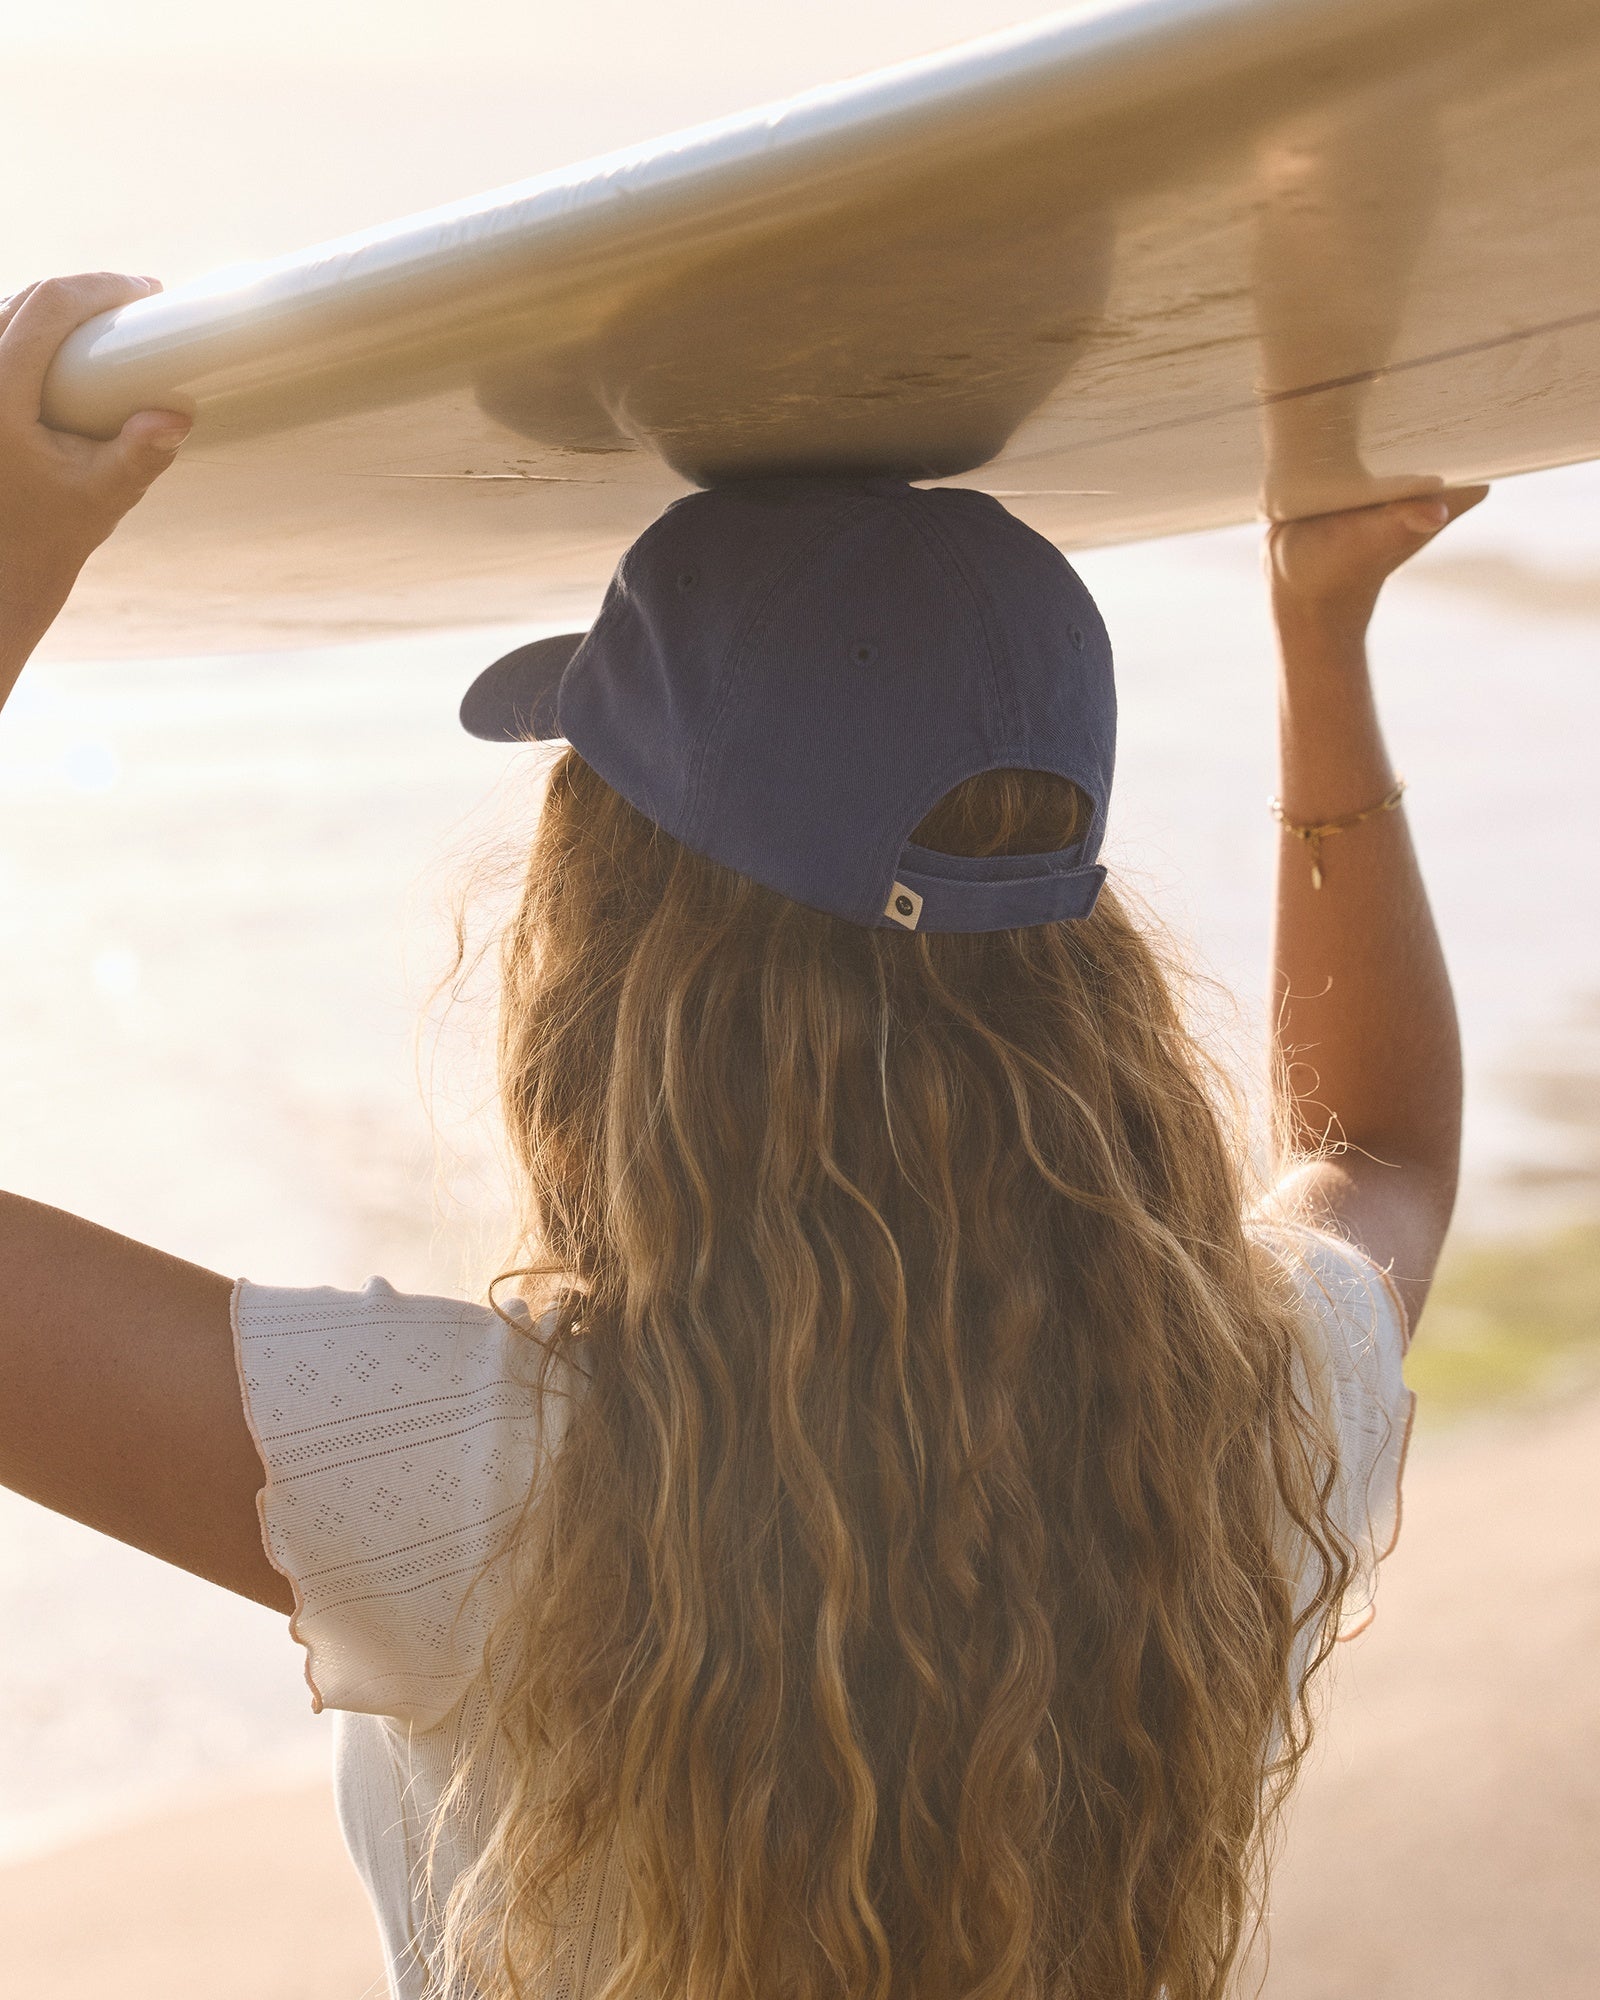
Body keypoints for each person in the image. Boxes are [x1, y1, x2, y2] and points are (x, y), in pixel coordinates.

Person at [0, 274, 1480, 2000]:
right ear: (1082, 955)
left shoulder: (502, 1488)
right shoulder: (1238, 1414)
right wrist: (1323, 635)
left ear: (623, 956)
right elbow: (1383, 1148)